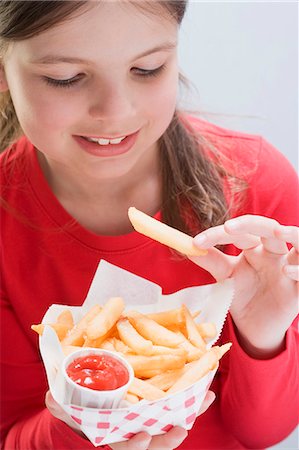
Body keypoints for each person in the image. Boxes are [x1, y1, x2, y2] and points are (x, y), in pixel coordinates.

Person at [0, 1, 298, 449]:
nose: (115, 112)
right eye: (65, 77)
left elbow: (266, 433)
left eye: (148, 69)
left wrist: (264, 335)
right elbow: (11, 433)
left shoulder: (258, 188)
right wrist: (80, 424)